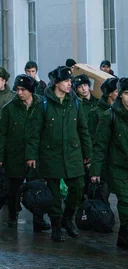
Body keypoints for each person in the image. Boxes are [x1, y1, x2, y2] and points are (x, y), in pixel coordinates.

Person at [26, 66, 92, 242]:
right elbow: (35, 132)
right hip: (51, 155)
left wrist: (88, 153)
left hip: (73, 153)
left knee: (78, 187)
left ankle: (67, 218)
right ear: (57, 83)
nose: (70, 84)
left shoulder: (75, 102)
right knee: (54, 194)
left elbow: (83, 129)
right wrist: (31, 155)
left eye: (71, 81)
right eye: (66, 81)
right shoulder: (43, 104)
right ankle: (56, 226)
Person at [90, 78, 128, 254]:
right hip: (118, 166)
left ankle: (123, 234)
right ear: (120, 95)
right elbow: (100, 145)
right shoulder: (109, 116)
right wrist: (95, 170)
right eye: (126, 94)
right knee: (125, 199)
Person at [0, 75, 50, 231]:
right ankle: (12, 217)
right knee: (13, 189)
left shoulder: (42, 105)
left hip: (35, 155)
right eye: (18, 89)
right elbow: (2, 134)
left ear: (31, 90)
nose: (19, 93)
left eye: (23, 90)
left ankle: (38, 219)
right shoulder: (9, 108)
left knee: (37, 188)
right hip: (14, 155)